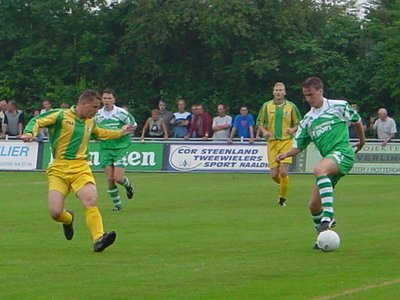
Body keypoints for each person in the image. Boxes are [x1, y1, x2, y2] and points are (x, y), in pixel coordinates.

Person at [21, 90, 134, 252]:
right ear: (84, 104)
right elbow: (37, 120)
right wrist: (29, 133)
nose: (97, 111)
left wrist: (121, 132)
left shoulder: (90, 122)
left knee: (90, 200)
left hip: (80, 168)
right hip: (58, 169)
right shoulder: (61, 115)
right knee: (55, 212)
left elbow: (102, 133)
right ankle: (68, 219)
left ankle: (99, 238)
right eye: (95, 107)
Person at [276, 77, 365, 249]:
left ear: (320, 91)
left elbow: (357, 120)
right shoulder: (307, 120)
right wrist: (285, 153)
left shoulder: (338, 106)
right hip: (330, 160)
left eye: (311, 94)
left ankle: (329, 216)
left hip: (343, 153)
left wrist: (361, 142)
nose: (308, 98)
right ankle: (322, 238)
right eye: (305, 95)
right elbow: (299, 145)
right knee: (313, 205)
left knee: (319, 169)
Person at [256, 82, 301, 206]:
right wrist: (264, 131)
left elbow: (298, 123)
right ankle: (283, 185)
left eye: (281, 90)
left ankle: (282, 199)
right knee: (274, 175)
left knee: (283, 172)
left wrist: (292, 130)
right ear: (273, 92)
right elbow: (259, 122)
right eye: (277, 90)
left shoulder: (291, 107)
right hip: (272, 143)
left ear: (285, 92)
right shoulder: (266, 106)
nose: (279, 92)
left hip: (286, 142)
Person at [95, 89, 137, 212]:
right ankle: (118, 206)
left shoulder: (121, 113)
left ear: (114, 100)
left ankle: (128, 186)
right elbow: (93, 128)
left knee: (118, 178)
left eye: (109, 98)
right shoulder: (97, 114)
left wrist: (126, 129)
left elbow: (134, 124)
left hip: (120, 148)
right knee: (110, 179)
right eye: (105, 98)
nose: (107, 100)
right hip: (105, 148)